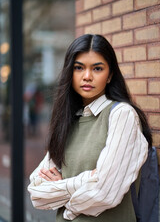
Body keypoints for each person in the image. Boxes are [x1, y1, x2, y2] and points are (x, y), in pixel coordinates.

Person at [28, 34, 151, 222]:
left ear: (110, 75)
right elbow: (37, 193)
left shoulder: (121, 115)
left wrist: (65, 204)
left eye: (97, 68)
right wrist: (86, 181)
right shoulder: (68, 120)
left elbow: (105, 192)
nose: (87, 76)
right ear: (70, 72)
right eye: (79, 68)